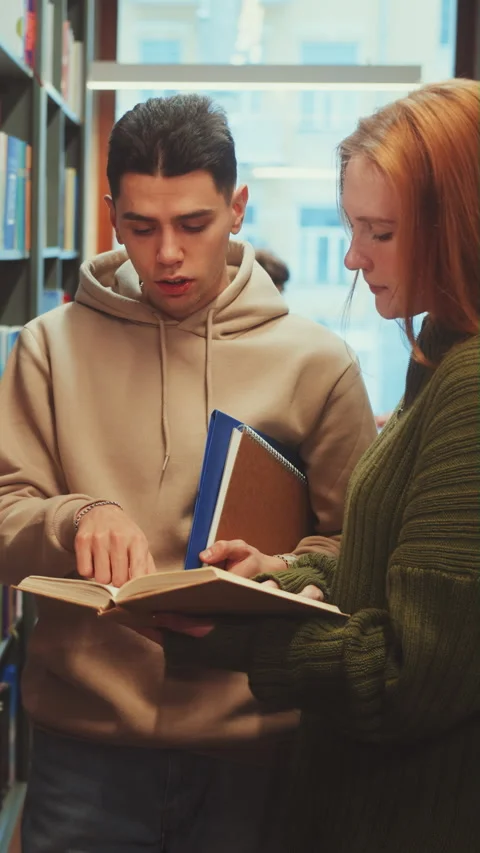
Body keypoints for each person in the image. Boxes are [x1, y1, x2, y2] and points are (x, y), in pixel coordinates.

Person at [0, 94, 376, 853]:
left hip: (255, 742)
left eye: (193, 224)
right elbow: (6, 515)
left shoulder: (318, 363)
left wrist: (278, 569)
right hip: (83, 748)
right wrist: (74, 518)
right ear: (112, 216)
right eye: (141, 226)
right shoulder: (47, 348)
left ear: (237, 208)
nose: (166, 252)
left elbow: (356, 553)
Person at [156, 80, 480, 853]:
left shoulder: (470, 388)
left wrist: (241, 637)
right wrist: (283, 577)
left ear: (463, 227)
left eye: (381, 232)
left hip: (404, 815)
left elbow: (411, 674)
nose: (351, 256)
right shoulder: (438, 353)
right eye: (352, 226)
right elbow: (388, 573)